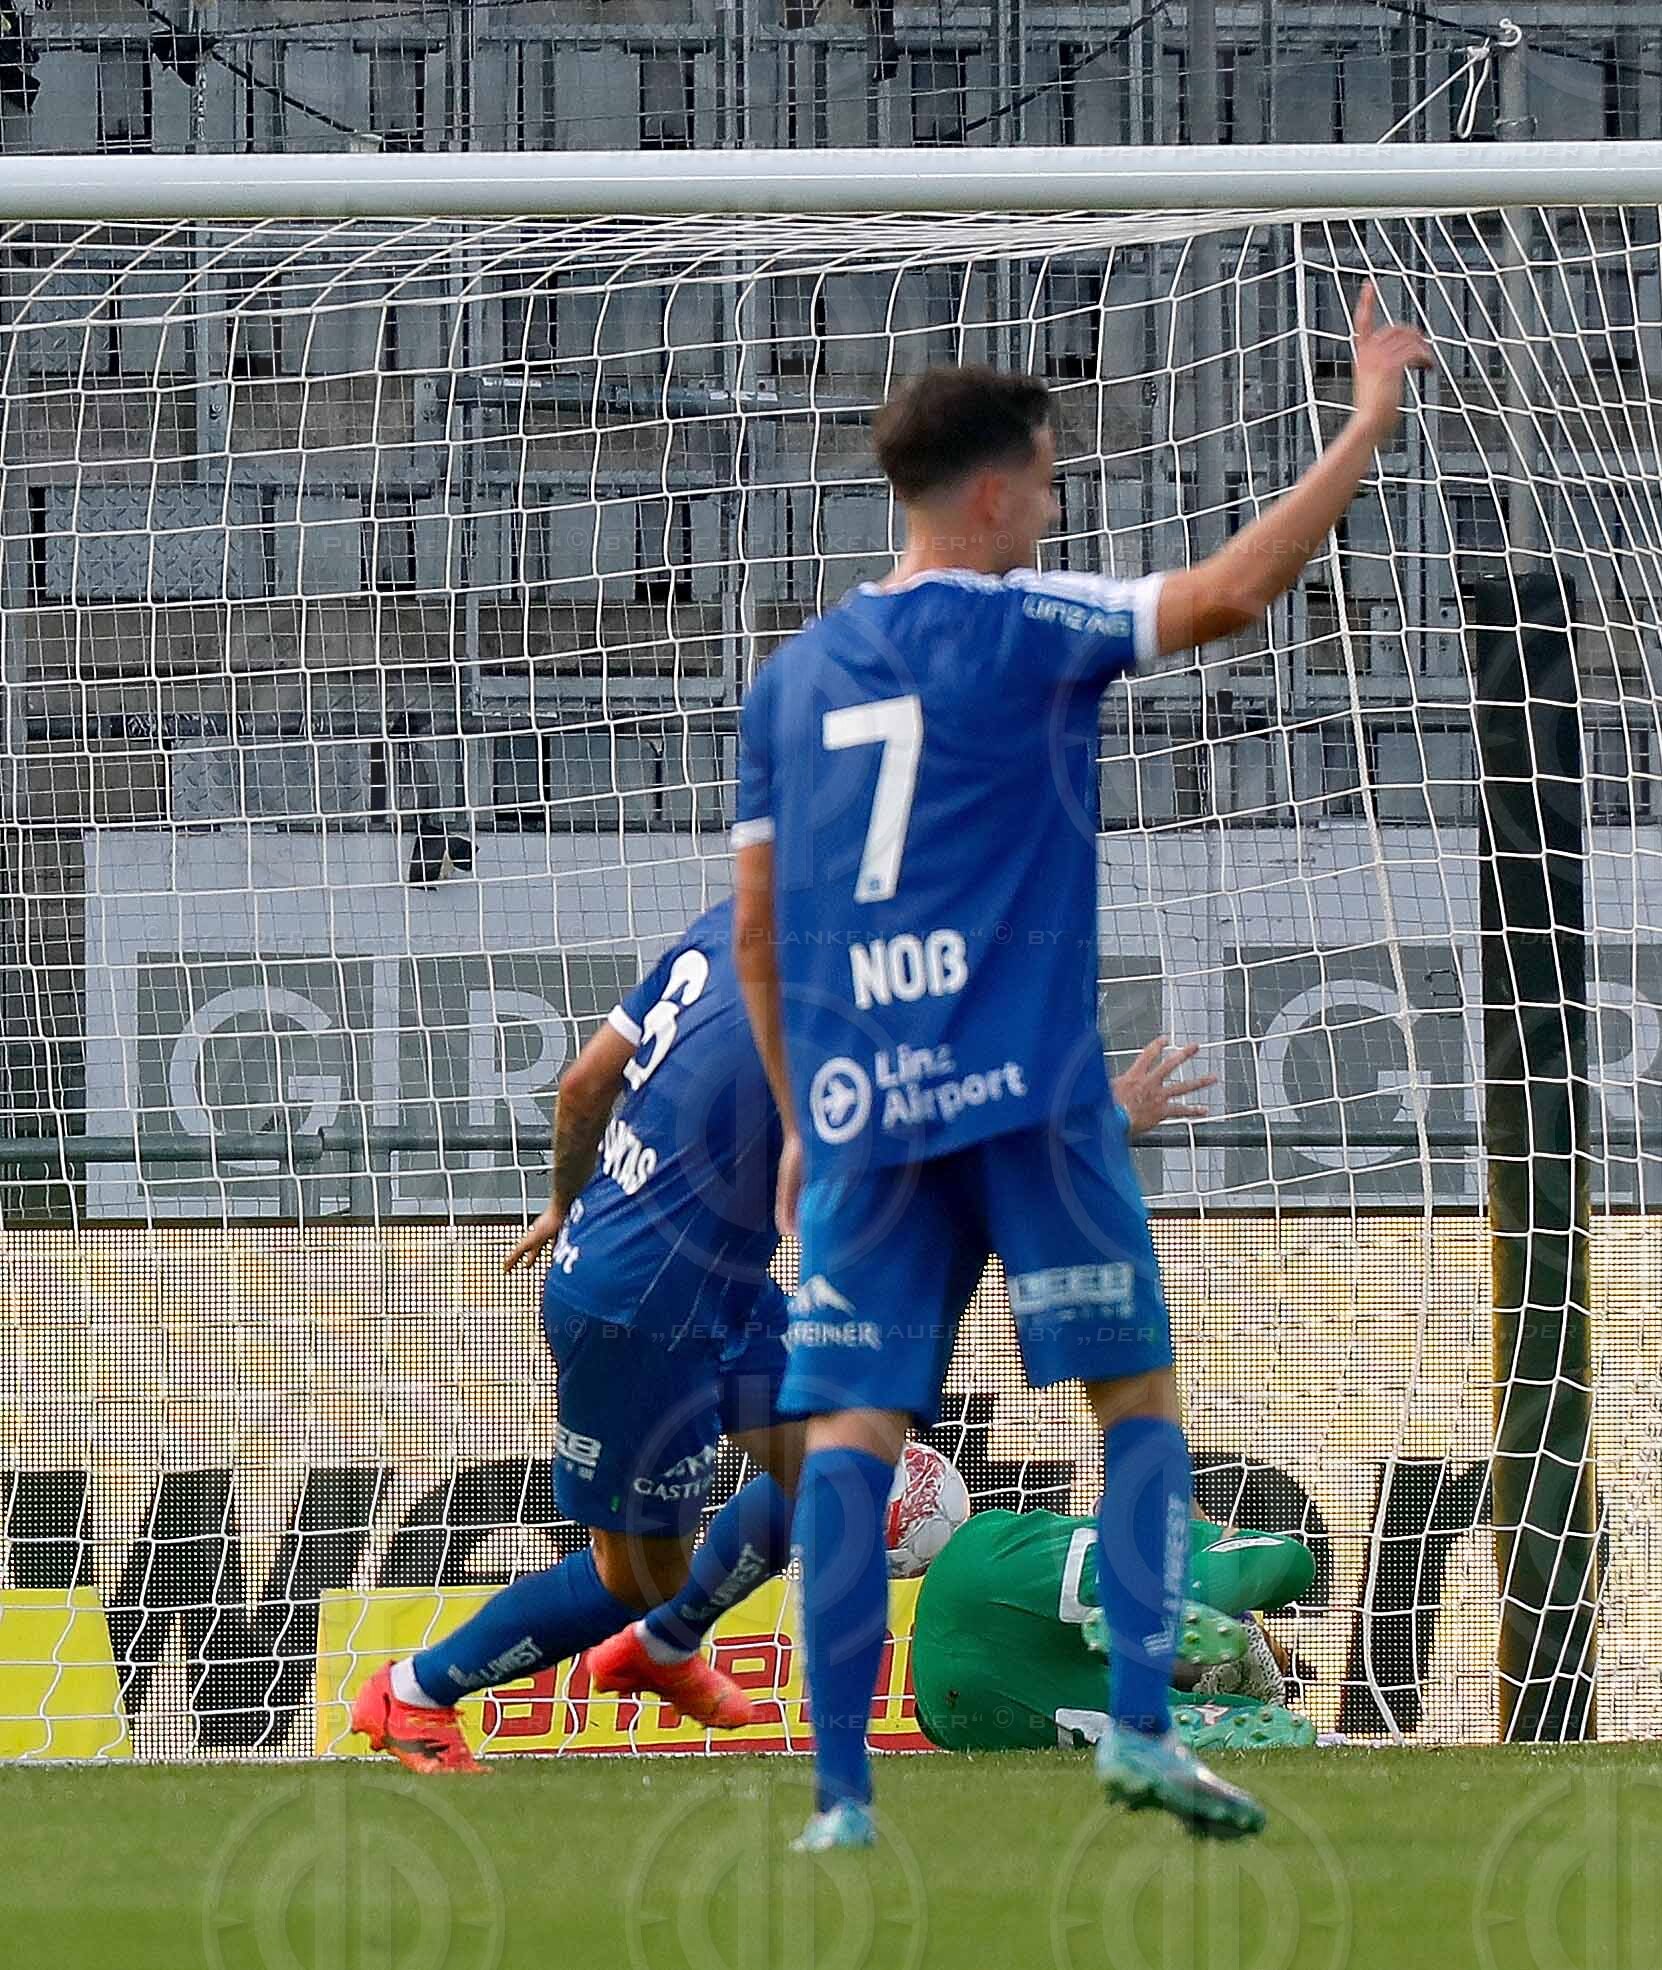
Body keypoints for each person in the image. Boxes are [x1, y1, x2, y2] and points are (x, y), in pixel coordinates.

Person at [732, 287, 1432, 1847]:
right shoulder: (1023, 624)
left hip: (863, 1110)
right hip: (1032, 1099)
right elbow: (1240, 594)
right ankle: (1135, 1735)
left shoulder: (792, 681)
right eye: (1048, 482)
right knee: (1135, 1402)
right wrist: (1366, 418)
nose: (1054, 509)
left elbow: (763, 940)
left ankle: (839, 1795)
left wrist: (797, 1111)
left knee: (850, 1433)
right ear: (993, 489)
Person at [351, 900, 801, 1772]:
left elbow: (584, 1083)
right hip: (642, 1311)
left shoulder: (735, 920)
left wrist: (565, 1202)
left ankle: (661, 1649)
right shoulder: (827, 999)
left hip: (715, 1280)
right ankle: (413, 1691)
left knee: (834, 1464)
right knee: (637, 1573)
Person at [904, 1459, 1318, 1755]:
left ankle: (1181, 1621)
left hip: (951, 1709)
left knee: (1234, 1716)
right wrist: (1245, 1621)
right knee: (1295, 1561)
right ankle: (1188, 1605)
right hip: (979, 1576)